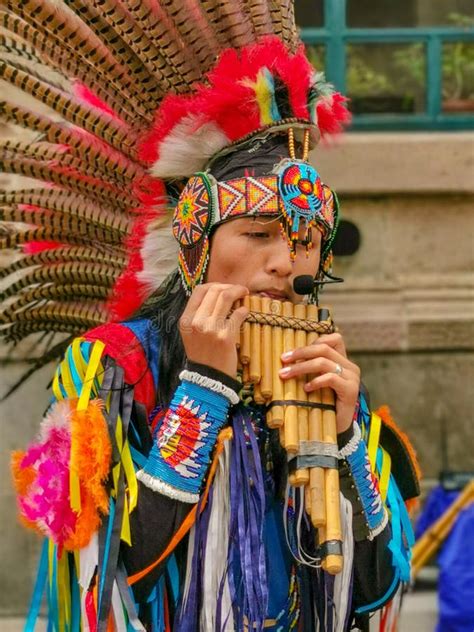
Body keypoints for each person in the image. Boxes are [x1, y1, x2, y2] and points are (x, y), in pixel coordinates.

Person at [3, 5, 420, 631]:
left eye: (306, 238)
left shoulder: (324, 375)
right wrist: (203, 389)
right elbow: (115, 577)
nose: (286, 263)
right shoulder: (115, 366)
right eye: (256, 233)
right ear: (196, 245)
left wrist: (345, 443)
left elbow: (372, 591)